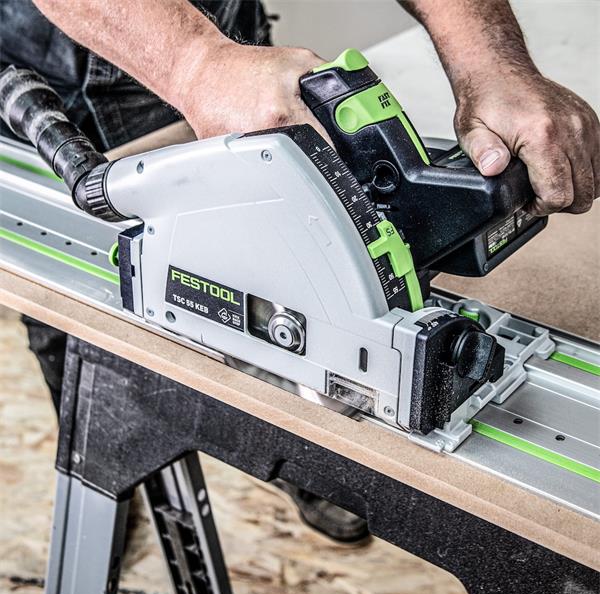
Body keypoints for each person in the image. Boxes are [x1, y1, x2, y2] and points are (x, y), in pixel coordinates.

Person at [1, 0, 598, 545]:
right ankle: (110, 464)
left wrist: (488, 63)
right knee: (87, 323)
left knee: (292, 210)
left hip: (226, 27)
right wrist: (194, 64)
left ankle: (309, 448)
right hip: (82, 47)